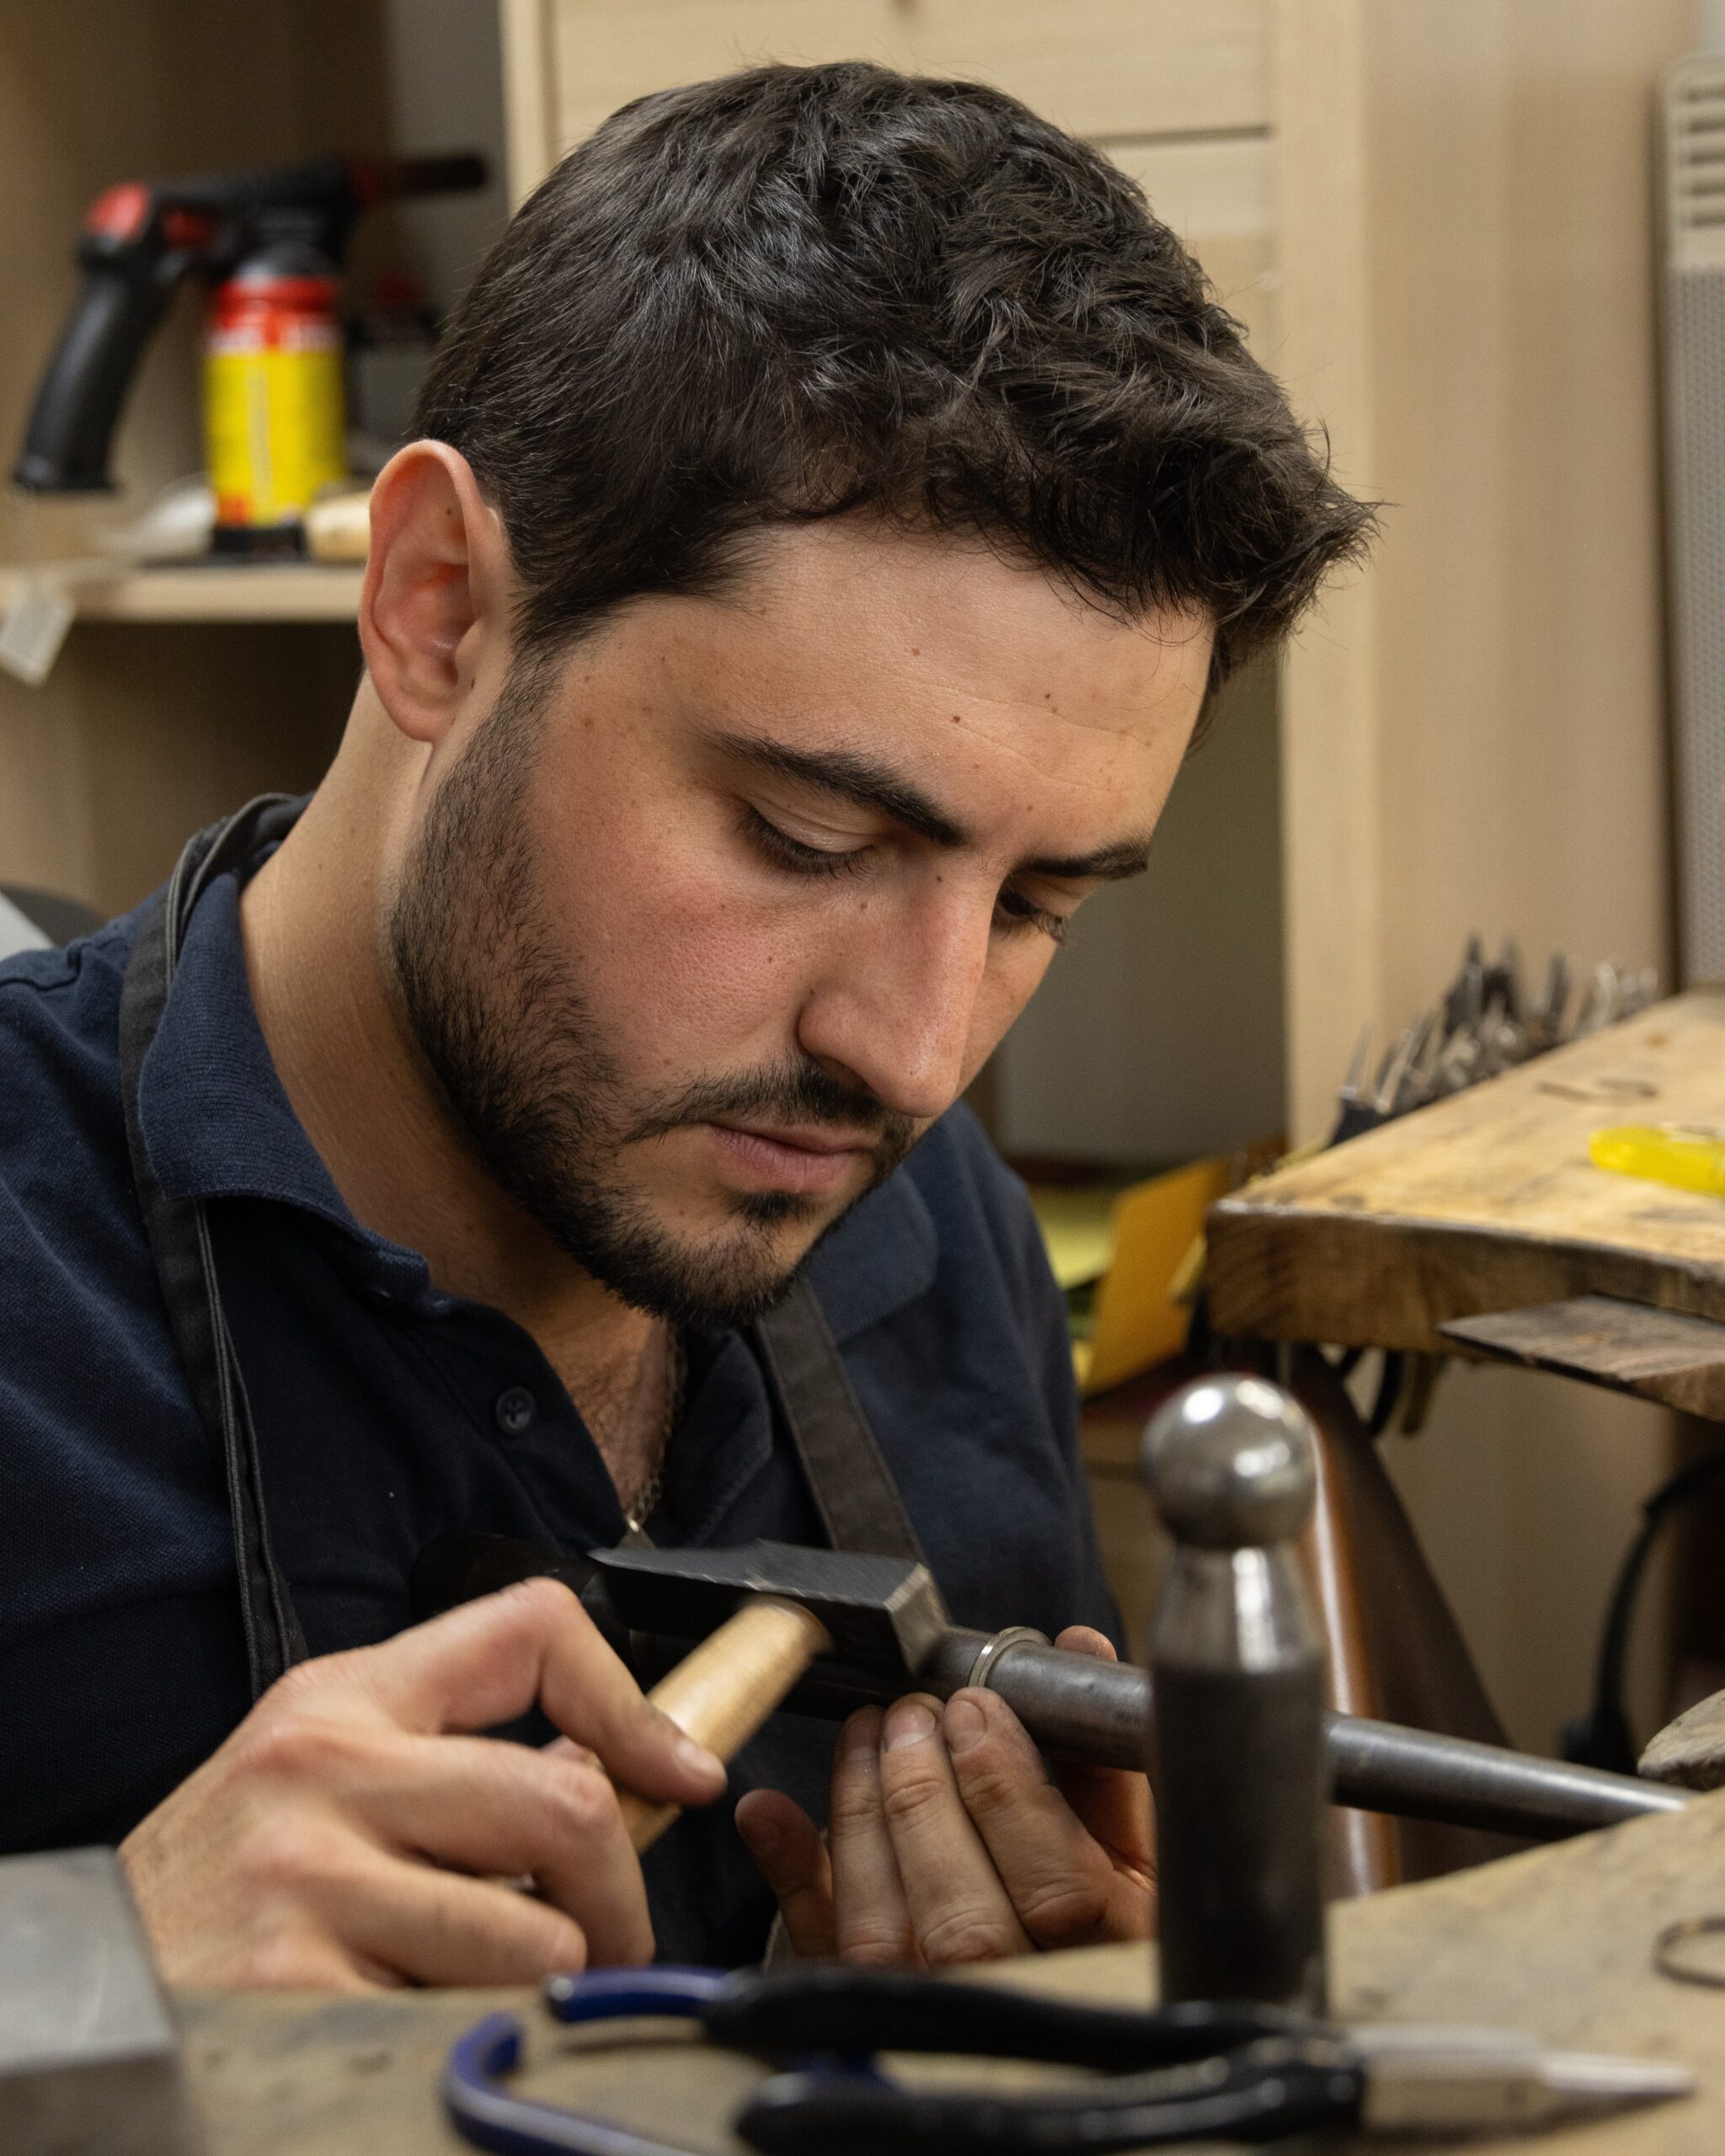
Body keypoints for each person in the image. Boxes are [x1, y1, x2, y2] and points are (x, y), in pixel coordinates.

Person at [0, 61, 1370, 1988]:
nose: (913, 1053)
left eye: (1039, 903)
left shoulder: (928, 1219)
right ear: (436, 606)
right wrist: (75, 1978)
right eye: (806, 838)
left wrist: (1060, 2027)